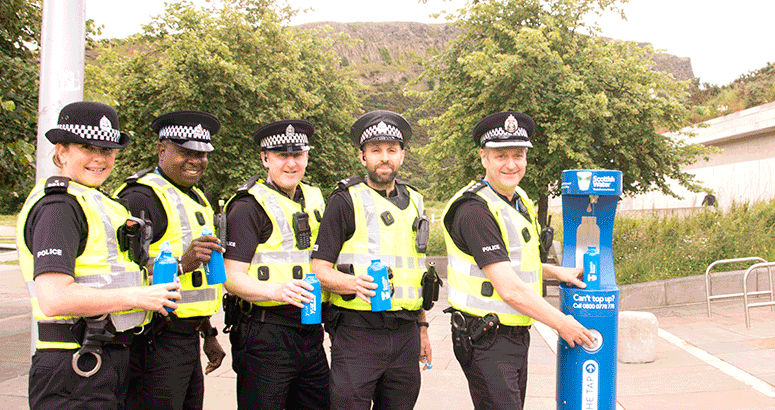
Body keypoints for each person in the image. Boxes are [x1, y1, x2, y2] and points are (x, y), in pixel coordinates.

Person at [16, 101, 181, 410]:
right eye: (86, 147)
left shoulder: (97, 200)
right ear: (61, 151)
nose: (99, 158)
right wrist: (140, 297)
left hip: (106, 359)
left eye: (107, 150)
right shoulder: (60, 207)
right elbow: (54, 298)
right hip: (75, 364)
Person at [441, 111, 595, 410]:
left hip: (512, 334)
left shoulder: (517, 198)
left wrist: (553, 271)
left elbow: (512, 262)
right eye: (501, 156)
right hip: (485, 337)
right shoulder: (474, 209)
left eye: (518, 154)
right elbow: (509, 288)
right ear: (484, 157)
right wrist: (562, 324)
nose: (511, 164)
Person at [310, 110, 433, 410]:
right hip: (358, 332)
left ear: (403, 155)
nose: (384, 158)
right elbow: (319, 269)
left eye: (392, 150)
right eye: (375, 150)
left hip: (405, 333)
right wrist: (352, 282)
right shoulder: (344, 199)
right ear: (363, 156)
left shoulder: (416, 201)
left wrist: (422, 329)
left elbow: (415, 271)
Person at [115, 110, 226, 410]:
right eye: (186, 152)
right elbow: (121, 274)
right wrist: (181, 263)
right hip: (153, 341)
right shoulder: (140, 197)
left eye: (202, 154)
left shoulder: (196, 197)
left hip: (186, 337)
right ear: (162, 150)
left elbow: (198, 281)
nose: (196, 160)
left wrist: (209, 333)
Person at [222, 119, 329, 410]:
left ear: (307, 156)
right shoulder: (248, 206)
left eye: (298, 155)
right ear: (265, 158)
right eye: (282, 155)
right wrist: (277, 291)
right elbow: (230, 277)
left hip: (309, 331)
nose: (291, 163)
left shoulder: (315, 198)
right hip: (264, 333)